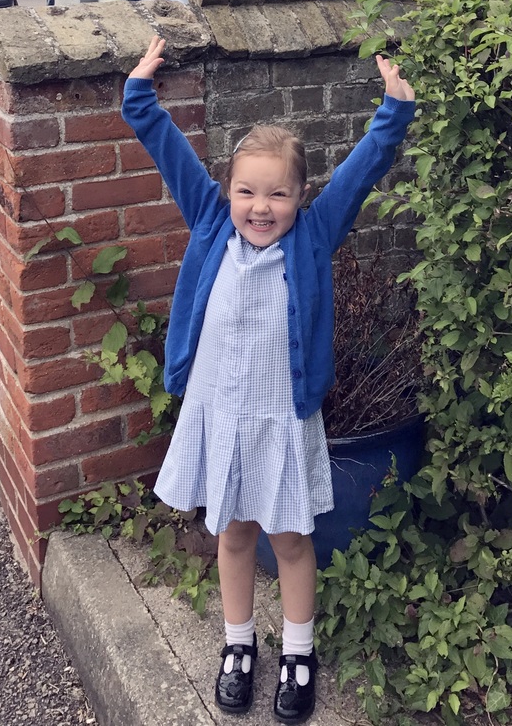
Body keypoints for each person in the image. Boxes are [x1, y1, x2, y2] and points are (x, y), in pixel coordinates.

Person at [122, 36, 416, 722]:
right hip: (222, 416)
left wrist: (393, 112)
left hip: (283, 420)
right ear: (227, 191)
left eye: (277, 193)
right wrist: (140, 92)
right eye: (247, 190)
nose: (260, 206)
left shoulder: (310, 238)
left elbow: (361, 173)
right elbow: (166, 147)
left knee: (290, 540)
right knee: (232, 535)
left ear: (299, 195)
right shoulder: (209, 223)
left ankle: (298, 650)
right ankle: (237, 645)